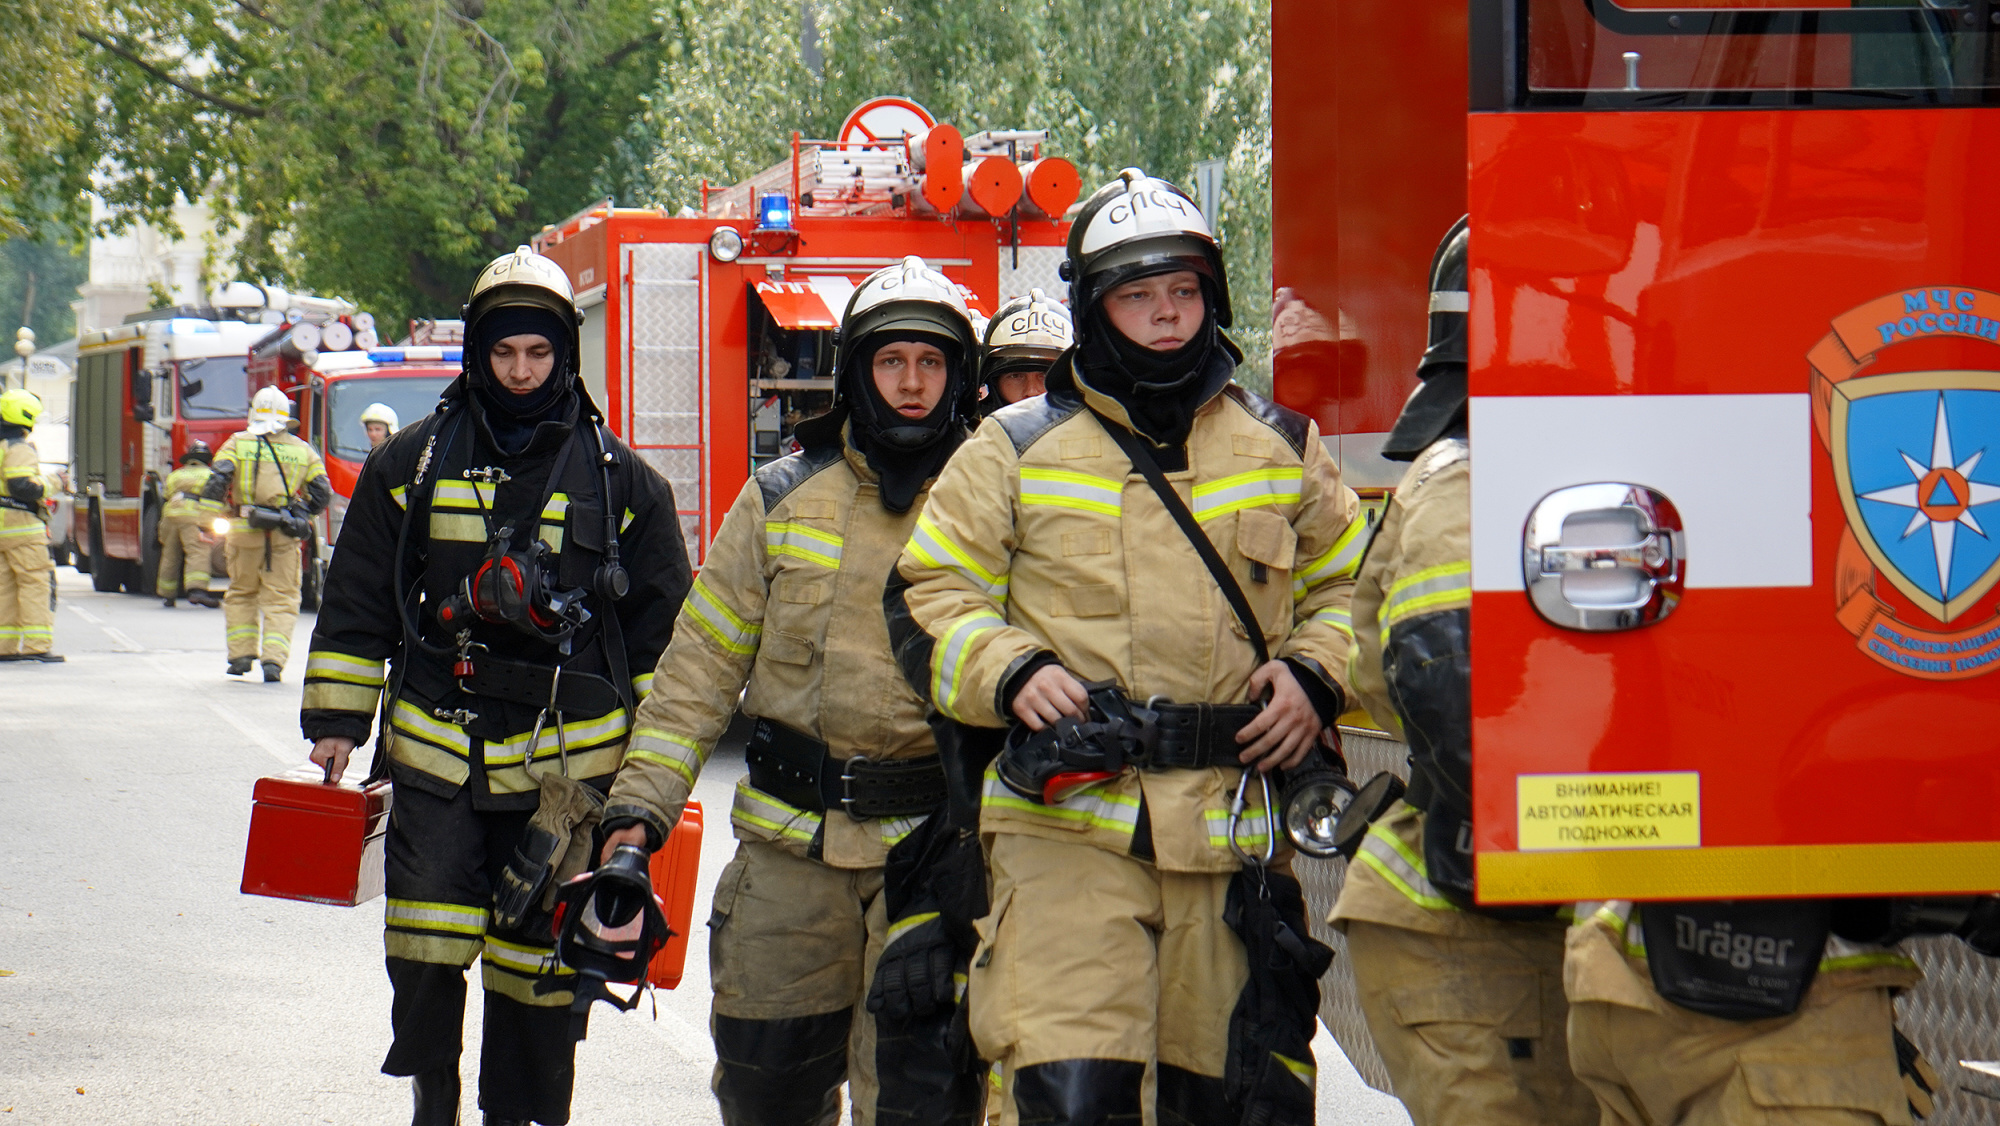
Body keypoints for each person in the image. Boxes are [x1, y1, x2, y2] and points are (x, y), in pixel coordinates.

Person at [886, 169, 1365, 1124]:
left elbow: (1356, 587)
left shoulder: (1282, 446)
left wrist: (1317, 672)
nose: (1165, 317)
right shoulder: (1013, 447)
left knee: (1231, 1101)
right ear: (1094, 309)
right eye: (1138, 296)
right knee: (1072, 1097)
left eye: (1183, 293)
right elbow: (926, 593)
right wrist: (1012, 670)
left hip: (1231, 837)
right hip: (1065, 831)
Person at [301, 245, 689, 1126]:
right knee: (427, 943)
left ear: (565, 357)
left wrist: (650, 779)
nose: (521, 372)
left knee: (541, 968)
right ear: (478, 352)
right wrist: (336, 718)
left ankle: (525, 1114)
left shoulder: (625, 483)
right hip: (439, 746)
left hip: (567, 775)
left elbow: (666, 643)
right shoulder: (411, 464)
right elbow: (360, 596)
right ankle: (434, 1093)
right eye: (505, 353)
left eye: (538, 355)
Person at [599, 255, 988, 1126]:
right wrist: (638, 817)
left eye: (932, 363)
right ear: (857, 371)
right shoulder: (780, 496)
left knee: (924, 1104)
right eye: (892, 362)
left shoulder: (992, 501)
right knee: (765, 1094)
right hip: (786, 863)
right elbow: (698, 670)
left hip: (932, 864)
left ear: (958, 375)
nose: (913, 383)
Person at [1326, 218, 1598, 1126]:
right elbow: (1449, 684)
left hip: (1530, 922)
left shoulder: (1569, 476)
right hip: (1467, 919)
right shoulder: (1467, 482)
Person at [201, 386, 332, 681]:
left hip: (243, 531)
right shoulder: (302, 450)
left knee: (241, 592)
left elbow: (217, 480)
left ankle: (240, 655)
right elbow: (322, 491)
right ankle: (273, 661)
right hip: (284, 534)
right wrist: (302, 512)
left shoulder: (237, 443)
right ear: (287, 417)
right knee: (282, 598)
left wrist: (208, 519)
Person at [0, 388, 61, 663]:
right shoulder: (19, 448)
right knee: (35, 582)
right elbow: (22, 486)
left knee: (5, 586)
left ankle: (5, 646)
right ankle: (37, 645)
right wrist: (56, 482)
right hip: (22, 528)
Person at [978, 288, 1072, 413]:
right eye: (1015, 376)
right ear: (993, 382)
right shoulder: (977, 433)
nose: (1031, 391)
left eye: (1045, 375)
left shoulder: (1096, 431)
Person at [158, 442, 222, 608]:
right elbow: (214, 497)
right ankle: (197, 591)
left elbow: (166, 494)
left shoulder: (176, 475)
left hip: (170, 515)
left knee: (170, 555)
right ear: (208, 460)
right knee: (198, 551)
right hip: (193, 515)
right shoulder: (210, 474)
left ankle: (167, 595)